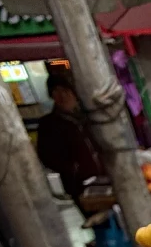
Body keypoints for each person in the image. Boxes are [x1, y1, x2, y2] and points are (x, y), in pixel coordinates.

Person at [35, 74, 103, 211]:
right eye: (56, 92)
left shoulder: (89, 117)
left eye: (66, 91)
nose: (62, 96)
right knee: (98, 220)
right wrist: (73, 169)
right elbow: (46, 155)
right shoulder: (48, 124)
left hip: (104, 176)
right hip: (79, 185)